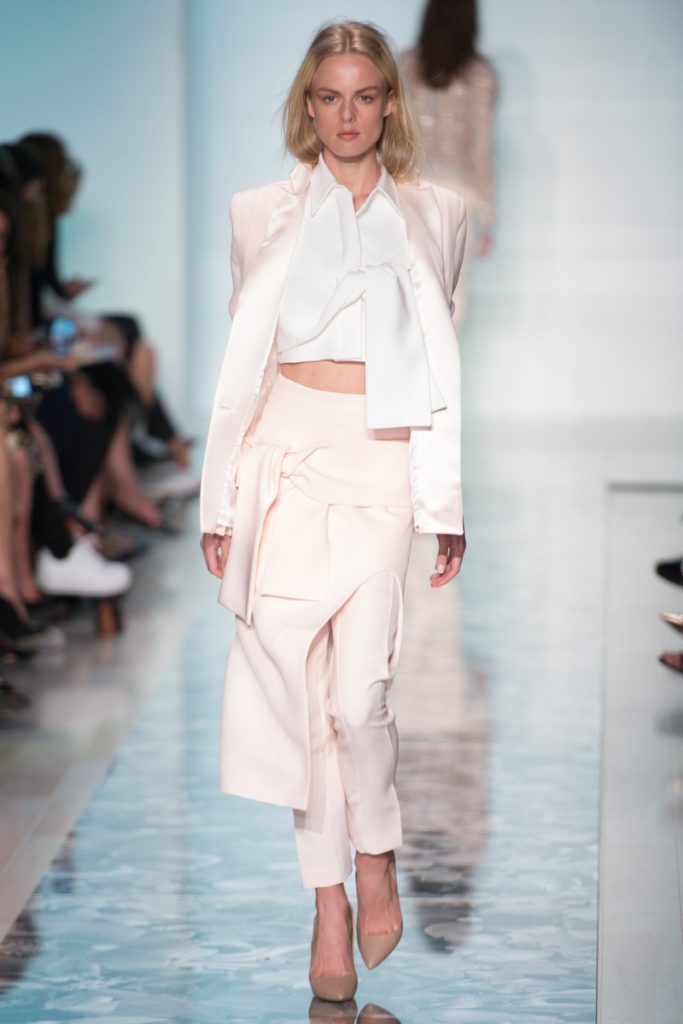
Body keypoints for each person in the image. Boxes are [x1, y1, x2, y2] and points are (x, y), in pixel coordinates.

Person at [200, 21, 467, 1002]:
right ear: (305, 105)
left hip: (380, 461)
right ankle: (326, 903)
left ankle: (377, 850)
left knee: (359, 695)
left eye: (362, 96)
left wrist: (445, 501)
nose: (345, 115)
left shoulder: (437, 213)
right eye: (327, 97)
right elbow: (244, 365)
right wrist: (221, 498)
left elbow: (440, 366)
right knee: (301, 702)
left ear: (388, 103)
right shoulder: (255, 213)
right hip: (283, 459)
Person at [400, 0, 496, 328]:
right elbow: (480, 146)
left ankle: (412, 361)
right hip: (458, 195)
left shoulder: (406, 66)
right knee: (452, 298)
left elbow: (393, 136)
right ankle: (441, 361)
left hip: (408, 188)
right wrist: (487, 217)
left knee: (408, 293)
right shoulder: (480, 74)